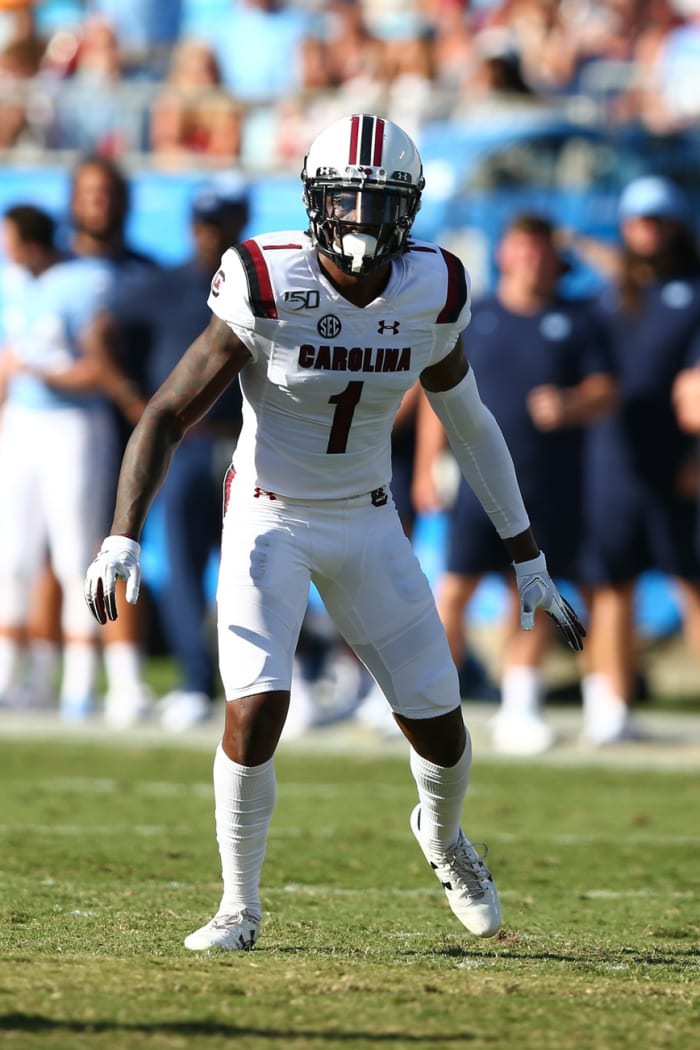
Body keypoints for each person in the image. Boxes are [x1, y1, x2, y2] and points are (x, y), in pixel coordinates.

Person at [84, 114, 585, 952]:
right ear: (315, 199)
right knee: (256, 708)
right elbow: (168, 411)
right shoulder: (265, 277)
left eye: (379, 201)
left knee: (442, 727)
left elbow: (472, 426)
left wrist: (527, 558)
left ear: (411, 208)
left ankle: (442, 834)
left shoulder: (434, 286)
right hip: (268, 512)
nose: (361, 218)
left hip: (368, 516)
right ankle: (237, 907)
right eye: (345, 198)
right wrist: (122, 535)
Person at [412, 213, 615, 755]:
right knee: (452, 589)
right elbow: (438, 395)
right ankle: (427, 701)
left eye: (541, 249)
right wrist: (425, 467)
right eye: (522, 248)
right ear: (503, 254)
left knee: (528, 594)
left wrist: (571, 403)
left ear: (555, 258)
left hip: (544, 486)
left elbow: (605, 388)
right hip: (476, 484)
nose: (531, 258)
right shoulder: (473, 319)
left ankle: (519, 706)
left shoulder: (578, 319)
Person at [92, 173, 248, 730]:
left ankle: (260, 682)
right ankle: (192, 680)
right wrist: (134, 400)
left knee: (258, 563)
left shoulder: (260, 282)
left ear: (240, 220)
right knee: (183, 566)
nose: (212, 232)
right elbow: (101, 332)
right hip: (188, 441)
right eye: (205, 221)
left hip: (244, 441)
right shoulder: (165, 283)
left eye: (223, 220)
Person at [578, 174, 700, 744]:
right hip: (614, 461)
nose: (648, 232)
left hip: (680, 463)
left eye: (658, 221)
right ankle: (612, 704)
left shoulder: (694, 292)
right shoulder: (605, 297)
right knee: (611, 585)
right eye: (639, 221)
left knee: (691, 582)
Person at [0, 202, 116, 714]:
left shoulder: (83, 281)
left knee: (74, 556)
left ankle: (80, 683)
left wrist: (38, 372)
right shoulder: (12, 283)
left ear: (29, 241)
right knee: (14, 557)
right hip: (22, 424)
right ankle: (13, 678)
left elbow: (98, 369)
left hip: (73, 425)